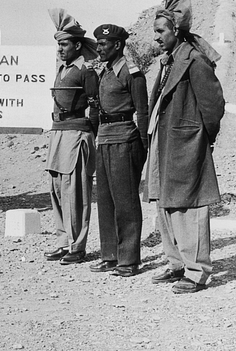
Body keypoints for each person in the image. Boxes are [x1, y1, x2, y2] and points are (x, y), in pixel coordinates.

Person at [146, 0, 224, 294]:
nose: (156, 37)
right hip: (165, 140)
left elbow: (213, 105)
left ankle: (197, 271)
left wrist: (202, 139)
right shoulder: (170, 59)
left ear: (176, 30)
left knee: (189, 206)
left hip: (186, 141)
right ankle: (176, 263)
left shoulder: (194, 59)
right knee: (165, 202)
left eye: (160, 31)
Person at [89, 24, 149, 277]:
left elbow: (142, 111)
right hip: (105, 138)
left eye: (103, 44)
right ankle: (110, 255)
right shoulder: (104, 71)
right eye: (97, 44)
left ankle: (129, 260)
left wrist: (145, 146)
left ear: (117, 45)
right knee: (105, 201)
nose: (99, 48)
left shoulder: (131, 72)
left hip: (125, 139)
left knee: (125, 202)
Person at [44, 9, 99, 265]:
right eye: (58, 44)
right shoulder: (63, 69)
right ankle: (63, 241)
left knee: (74, 190)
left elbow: (95, 104)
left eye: (64, 44)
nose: (60, 49)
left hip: (76, 134)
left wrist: (89, 133)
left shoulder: (86, 70)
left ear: (77, 44)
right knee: (56, 188)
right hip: (58, 134)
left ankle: (77, 246)